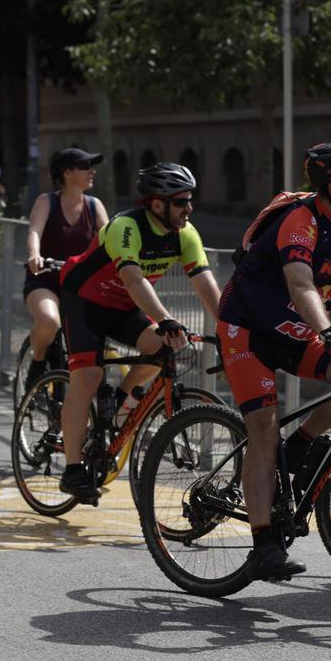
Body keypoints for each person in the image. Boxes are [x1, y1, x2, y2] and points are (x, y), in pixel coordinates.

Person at [216, 141, 331, 581]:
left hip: (298, 332)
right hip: (249, 329)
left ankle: (301, 444)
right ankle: (263, 546)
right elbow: (300, 285)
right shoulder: (302, 221)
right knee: (263, 427)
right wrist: (327, 331)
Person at [56, 162, 220, 502]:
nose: (189, 208)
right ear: (157, 204)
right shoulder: (126, 227)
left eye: (190, 200)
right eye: (181, 202)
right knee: (87, 376)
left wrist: (231, 330)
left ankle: (121, 400)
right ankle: (72, 469)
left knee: (167, 350)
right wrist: (165, 318)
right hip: (84, 302)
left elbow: (207, 288)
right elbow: (134, 279)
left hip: (124, 307)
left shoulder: (185, 235)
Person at [22, 148, 108, 387]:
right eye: (86, 166)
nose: (92, 171)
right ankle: (37, 361)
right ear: (67, 173)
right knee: (49, 321)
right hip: (45, 279)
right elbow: (34, 231)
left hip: (81, 285)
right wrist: (34, 254)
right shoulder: (46, 201)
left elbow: (110, 239)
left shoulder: (94, 206)